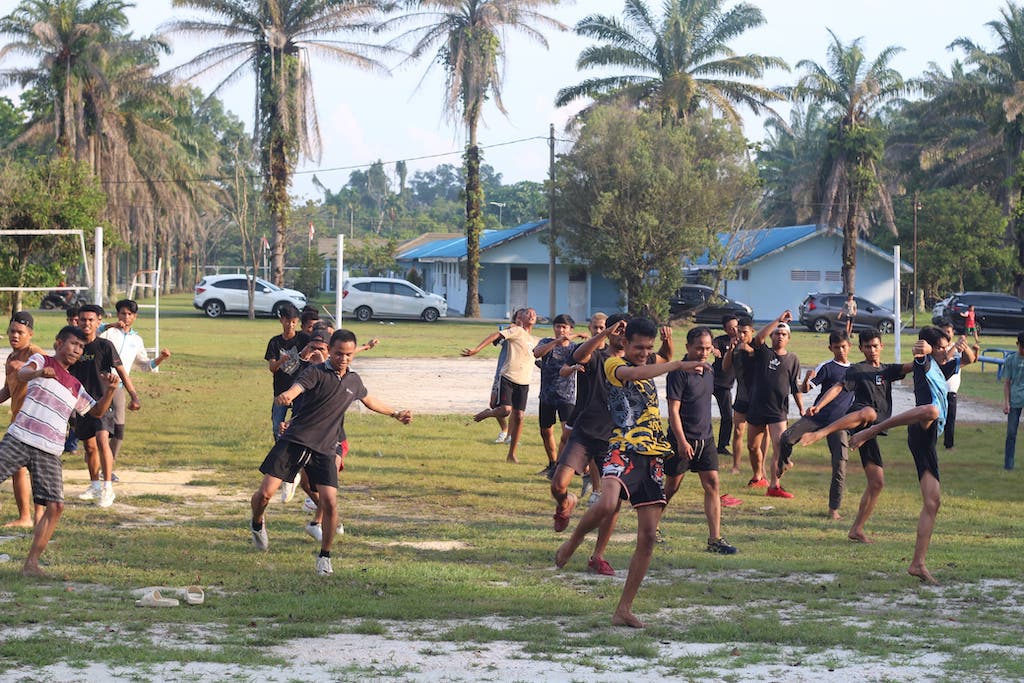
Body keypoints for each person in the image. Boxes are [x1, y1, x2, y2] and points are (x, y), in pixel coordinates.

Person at [555, 318, 694, 629]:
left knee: (647, 537)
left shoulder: (653, 361)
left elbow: (656, 362)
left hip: (653, 455)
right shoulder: (613, 365)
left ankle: (623, 609)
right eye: (638, 347)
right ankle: (573, 542)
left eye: (648, 348)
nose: (644, 353)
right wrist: (676, 365)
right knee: (606, 504)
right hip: (623, 448)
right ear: (625, 344)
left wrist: (678, 359)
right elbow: (636, 372)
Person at [249, 329, 412, 576]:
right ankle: (257, 523)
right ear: (330, 351)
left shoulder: (354, 381)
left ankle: (324, 557)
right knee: (264, 494)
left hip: (325, 447)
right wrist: (286, 395)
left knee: (331, 503)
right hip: (295, 440)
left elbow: (369, 401)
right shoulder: (315, 372)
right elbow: (297, 388)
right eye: (338, 354)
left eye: (348, 354)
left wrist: (395, 413)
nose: (343, 359)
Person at [0, 325, 118, 576]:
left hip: (50, 450)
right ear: (58, 343)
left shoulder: (75, 385)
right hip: (20, 437)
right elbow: (22, 376)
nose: (77, 350)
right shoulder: (40, 360)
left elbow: (95, 412)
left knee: (56, 506)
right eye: (73, 344)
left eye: (81, 347)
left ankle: (31, 564)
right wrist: (40, 372)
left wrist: (109, 391)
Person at [848, 327, 949, 584]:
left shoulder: (941, 365)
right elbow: (921, 353)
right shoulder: (925, 361)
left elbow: (964, 357)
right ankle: (873, 430)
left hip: (928, 439)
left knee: (933, 502)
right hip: (922, 428)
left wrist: (956, 347)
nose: (944, 350)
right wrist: (924, 351)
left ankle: (917, 564)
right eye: (941, 346)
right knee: (930, 411)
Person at [799, 329, 915, 543]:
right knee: (869, 412)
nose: (871, 350)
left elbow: (911, 366)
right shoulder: (856, 369)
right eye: (867, 346)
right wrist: (818, 405)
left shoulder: (887, 370)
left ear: (882, 347)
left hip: (870, 432)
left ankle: (857, 529)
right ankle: (821, 433)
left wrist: (929, 355)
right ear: (860, 348)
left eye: (875, 346)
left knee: (877, 482)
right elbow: (837, 388)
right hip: (859, 417)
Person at [548, 314, 627, 564]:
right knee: (558, 485)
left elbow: (665, 359)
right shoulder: (598, 356)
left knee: (612, 502)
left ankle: (598, 556)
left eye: (626, 331)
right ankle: (567, 501)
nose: (621, 335)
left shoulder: (636, 363)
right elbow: (578, 357)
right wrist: (604, 334)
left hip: (614, 439)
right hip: (586, 431)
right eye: (618, 330)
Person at [665, 326, 740, 555]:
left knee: (713, 485)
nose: (703, 352)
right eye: (699, 348)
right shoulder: (678, 373)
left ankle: (714, 539)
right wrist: (681, 441)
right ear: (688, 347)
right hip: (682, 440)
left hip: (705, 440)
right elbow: (673, 411)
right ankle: (651, 527)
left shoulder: (709, 370)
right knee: (671, 487)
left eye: (707, 348)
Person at [776, 330, 853, 519]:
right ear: (830, 348)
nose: (841, 351)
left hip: (839, 424)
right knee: (786, 438)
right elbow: (806, 388)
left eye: (844, 347)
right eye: (837, 348)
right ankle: (785, 462)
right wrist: (806, 382)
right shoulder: (827, 366)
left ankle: (833, 508)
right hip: (817, 416)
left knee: (840, 465)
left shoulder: (855, 371)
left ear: (849, 347)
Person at [72, 304, 140, 507]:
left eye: (91, 320)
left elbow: (121, 371)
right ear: (78, 321)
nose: (86, 323)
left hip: (103, 400)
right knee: (89, 446)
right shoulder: (74, 346)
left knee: (102, 440)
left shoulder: (104, 346)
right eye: (83, 319)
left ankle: (107, 488)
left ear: (99, 321)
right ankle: (94, 485)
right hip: (81, 403)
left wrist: (134, 395)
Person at [462, 308, 539, 464]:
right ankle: (489, 413)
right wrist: (477, 349)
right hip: (508, 377)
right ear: (520, 317)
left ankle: (511, 454)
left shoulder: (536, 339)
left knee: (519, 417)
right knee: (505, 410)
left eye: (534, 314)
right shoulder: (516, 330)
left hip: (524, 382)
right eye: (527, 313)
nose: (531, 315)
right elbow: (496, 336)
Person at [99, 299, 171, 462]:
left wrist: (161, 358)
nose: (125, 317)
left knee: (119, 428)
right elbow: (92, 333)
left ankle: (109, 463)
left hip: (118, 386)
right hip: (99, 382)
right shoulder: (108, 332)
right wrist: (110, 325)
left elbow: (145, 365)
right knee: (96, 426)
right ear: (117, 315)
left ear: (135, 317)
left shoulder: (136, 340)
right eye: (122, 313)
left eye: (129, 314)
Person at [743, 311, 803, 498]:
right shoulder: (763, 352)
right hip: (756, 407)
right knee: (753, 447)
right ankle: (758, 476)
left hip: (778, 410)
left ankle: (774, 486)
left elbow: (795, 387)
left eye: (783, 334)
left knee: (779, 445)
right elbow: (758, 338)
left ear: (789, 338)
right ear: (772, 336)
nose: (779, 336)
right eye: (776, 333)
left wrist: (801, 408)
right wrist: (778, 320)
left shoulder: (793, 359)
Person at [0, 312, 44, 528]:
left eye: (20, 332)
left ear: (30, 334)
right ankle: (25, 516)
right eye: (12, 331)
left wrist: (29, 371)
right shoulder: (10, 358)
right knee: (18, 469)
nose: (14, 336)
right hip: (17, 420)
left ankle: (36, 515)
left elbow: (49, 371)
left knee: (37, 469)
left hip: (35, 421)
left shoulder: (35, 353)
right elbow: (8, 390)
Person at [264, 304, 310, 503]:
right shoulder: (274, 342)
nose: (290, 325)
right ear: (281, 320)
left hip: (300, 392)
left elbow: (313, 354)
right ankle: (284, 461)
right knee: (277, 426)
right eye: (287, 321)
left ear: (297, 322)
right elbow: (272, 368)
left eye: (294, 322)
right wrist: (282, 360)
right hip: (281, 392)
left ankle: (294, 467)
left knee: (297, 427)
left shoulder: (303, 340)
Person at [533, 314, 579, 478]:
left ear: (570, 329)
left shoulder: (574, 348)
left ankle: (563, 466)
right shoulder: (546, 342)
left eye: (564, 327)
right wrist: (555, 342)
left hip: (567, 396)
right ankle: (552, 463)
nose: (560, 330)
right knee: (545, 431)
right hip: (547, 395)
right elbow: (536, 354)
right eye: (558, 326)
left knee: (567, 434)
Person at [723, 317, 758, 477]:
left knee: (759, 436)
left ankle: (760, 468)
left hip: (758, 397)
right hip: (742, 395)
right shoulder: (735, 348)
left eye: (745, 332)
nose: (742, 335)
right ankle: (736, 466)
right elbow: (725, 367)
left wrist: (750, 351)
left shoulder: (759, 347)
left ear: (752, 331)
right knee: (738, 431)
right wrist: (731, 350)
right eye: (739, 332)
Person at [937, 319, 976, 450]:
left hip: (952, 390)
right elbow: (944, 359)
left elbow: (970, 359)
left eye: (948, 331)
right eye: (943, 332)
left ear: (953, 332)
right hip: (938, 390)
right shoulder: (939, 348)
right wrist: (954, 347)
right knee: (935, 417)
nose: (946, 334)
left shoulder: (957, 346)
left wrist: (965, 346)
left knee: (950, 418)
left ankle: (949, 445)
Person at [711, 315, 740, 469]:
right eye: (730, 328)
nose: (734, 330)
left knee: (728, 416)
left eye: (736, 326)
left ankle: (722, 446)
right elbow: (712, 344)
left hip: (725, 386)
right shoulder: (721, 340)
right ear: (725, 329)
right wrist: (713, 349)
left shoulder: (743, 341)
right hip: (711, 380)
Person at [1003, 332, 1024, 471]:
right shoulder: (1011, 360)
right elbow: (1007, 383)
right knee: (1011, 433)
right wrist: (1006, 402)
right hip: (1015, 400)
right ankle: (1008, 464)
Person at [62, 306, 81, 455]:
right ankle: (68, 442)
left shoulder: (83, 338)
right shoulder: (65, 337)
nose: (73, 322)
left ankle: (72, 444)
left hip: (80, 382)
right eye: (70, 320)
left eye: (76, 320)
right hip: (66, 381)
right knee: (69, 414)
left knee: (77, 415)